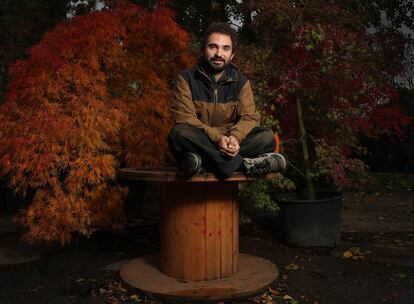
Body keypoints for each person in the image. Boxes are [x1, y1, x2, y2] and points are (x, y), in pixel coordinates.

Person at [168, 22, 286, 178]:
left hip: (231, 142)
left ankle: (203, 161)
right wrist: (218, 139)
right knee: (179, 133)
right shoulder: (186, 79)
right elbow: (185, 118)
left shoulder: (241, 82)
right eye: (213, 47)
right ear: (203, 50)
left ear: (232, 56)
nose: (219, 53)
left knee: (267, 137)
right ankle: (243, 165)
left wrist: (234, 138)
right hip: (202, 139)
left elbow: (249, 118)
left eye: (225, 48)